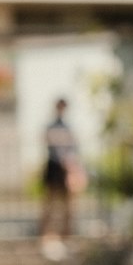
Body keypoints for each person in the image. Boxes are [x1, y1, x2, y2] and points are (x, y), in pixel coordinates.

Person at [39, 98, 82, 238]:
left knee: (68, 202)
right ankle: (45, 232)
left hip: (65, 167)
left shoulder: (68, 127)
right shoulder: (51, 126)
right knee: (49, 200)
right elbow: (47, 141)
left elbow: (73, 147)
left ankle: (66, 233)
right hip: (54, 164)